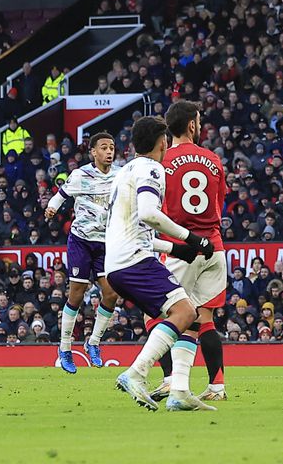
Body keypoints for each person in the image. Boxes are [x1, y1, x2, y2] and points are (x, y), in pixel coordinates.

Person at [104, 116, 214, 411]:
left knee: (183, 313)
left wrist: (176, 250)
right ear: (163, 142)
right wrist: (191, 238)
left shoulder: (124, 171)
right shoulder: (152, 168)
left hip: (117, 264)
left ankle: (179, 391)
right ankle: (136, 373)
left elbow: (136, 229)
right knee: (186, 311)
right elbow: (149, 215)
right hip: (133, 261)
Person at [149, 100, 228, 403]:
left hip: (180, 248)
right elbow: (218, 203)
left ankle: (171, 380)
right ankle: (217, 386)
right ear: (192, 125)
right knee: (203, 319)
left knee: (156, 313)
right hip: (214, 247)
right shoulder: (213, 159)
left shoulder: (162, 161)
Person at [44, 132, 121, 372]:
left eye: (112, 148)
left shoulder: (121, 175)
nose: (109, 152)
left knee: (110, 294)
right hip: (81, 240)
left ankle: (93, 343)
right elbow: (62, 195)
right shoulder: (80, 175)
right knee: (76, 294)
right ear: (93, 152)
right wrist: (52, 208)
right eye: (104, 148)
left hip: (106, 242)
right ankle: (65, 347)